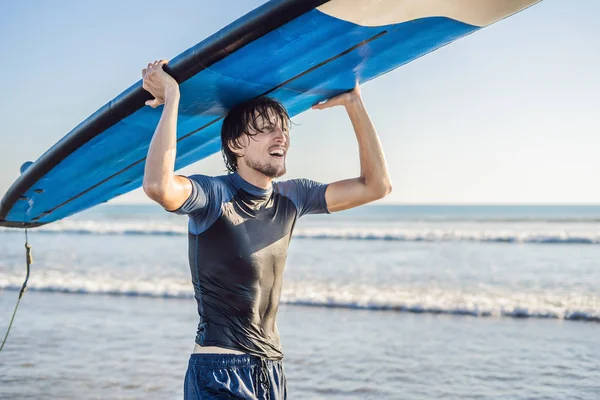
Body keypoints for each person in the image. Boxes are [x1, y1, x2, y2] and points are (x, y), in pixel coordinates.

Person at [141, 59, 392, 399]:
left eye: (283, 129)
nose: (281, 136)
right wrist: (172, 97)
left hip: (272, 371)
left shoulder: (294, 197)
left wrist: (354, 103)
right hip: (221, 372)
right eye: (265, 129)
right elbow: (159, 185)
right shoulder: (215, 195)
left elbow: (376, 186)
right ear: (236, 145)